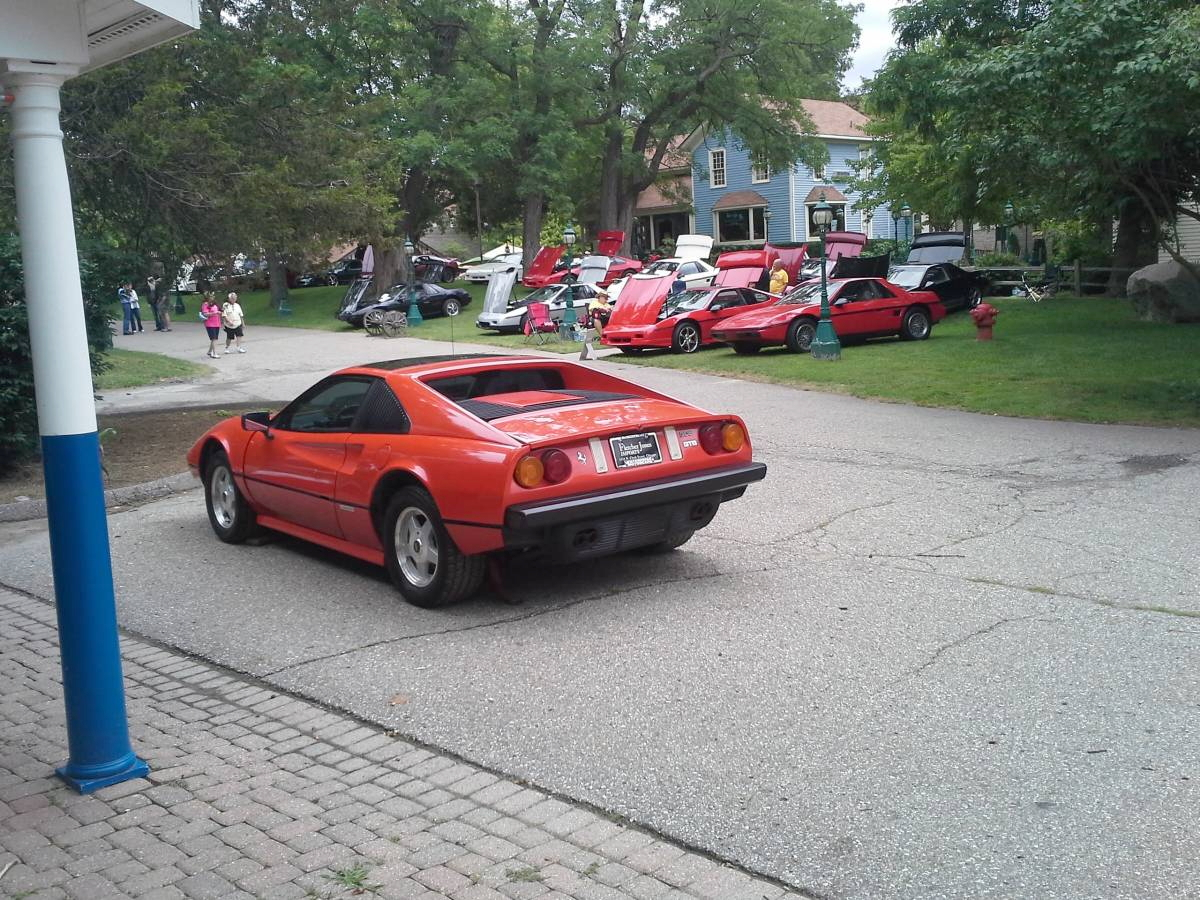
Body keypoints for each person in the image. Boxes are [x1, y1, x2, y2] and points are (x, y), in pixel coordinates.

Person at [200, 293, 222, 359]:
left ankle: (210, 351)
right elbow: (205, 314)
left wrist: (220, 312)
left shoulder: (215, 304)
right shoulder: (205, 304)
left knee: (214, 338)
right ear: (208, 297)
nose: (212, 297)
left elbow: (219, 310)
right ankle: (214, 353)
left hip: (217, 323)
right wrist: (215, 313)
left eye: (213, 296)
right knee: (214, 338)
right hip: (210, 324)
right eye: (211, 296)